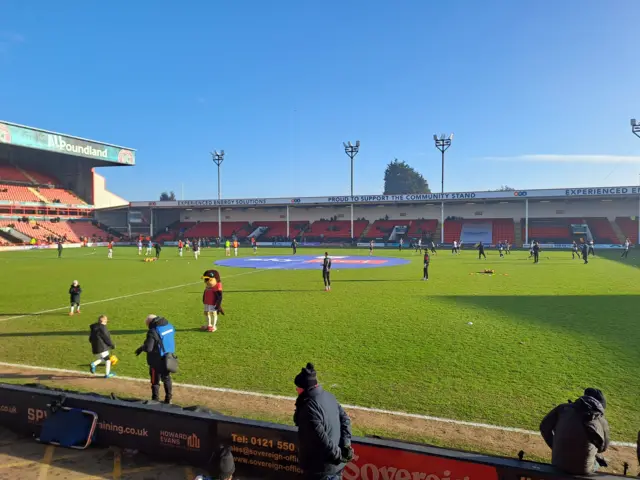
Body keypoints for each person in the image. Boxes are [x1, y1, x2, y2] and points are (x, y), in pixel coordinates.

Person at [293, 363, 353, 480]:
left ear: (303, 388)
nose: (297, 390)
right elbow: (345, 420)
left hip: (320, 469)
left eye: (298, 387)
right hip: (336, 468)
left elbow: (320, 439)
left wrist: (338, 455)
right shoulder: (330, 396)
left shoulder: (308, 407)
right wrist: (346, 445)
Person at [540, 388, 609, 475]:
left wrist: (555, 446)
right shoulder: (601, 421)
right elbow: (602, 448)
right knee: (597, 462)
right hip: (583, 470)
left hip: (558, 464)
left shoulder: (562, 408)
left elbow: (544, 427)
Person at [135, 314, 175, 404]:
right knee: (167, 378)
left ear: (150, 323)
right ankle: (169, 399)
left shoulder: (152, 331)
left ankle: (155, 399)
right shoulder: (169, 326)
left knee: (155, 381)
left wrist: (142, 348)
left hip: (156, 360)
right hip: (168, 357)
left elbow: (149, 348)